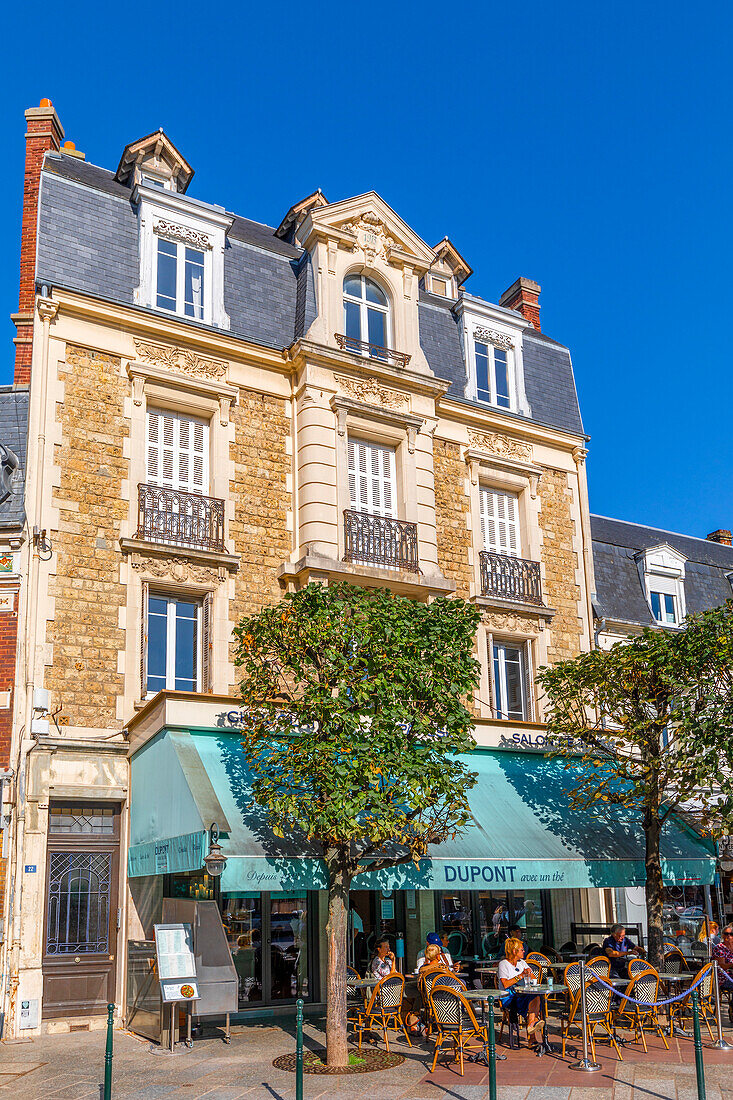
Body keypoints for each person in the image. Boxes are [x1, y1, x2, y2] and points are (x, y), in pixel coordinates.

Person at [498, 936, 544, 1046]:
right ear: (514, 951)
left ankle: (532, 1024)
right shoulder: (503, 964)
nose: (524, 951)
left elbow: (533, 979)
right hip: (509, 996)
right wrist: (521, 975)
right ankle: (532, 1034)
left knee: (536, 996)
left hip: (523, 994)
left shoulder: (522, 963)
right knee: (533, 1000)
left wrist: (529, 974)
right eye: (521, 950)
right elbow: (505, 984)